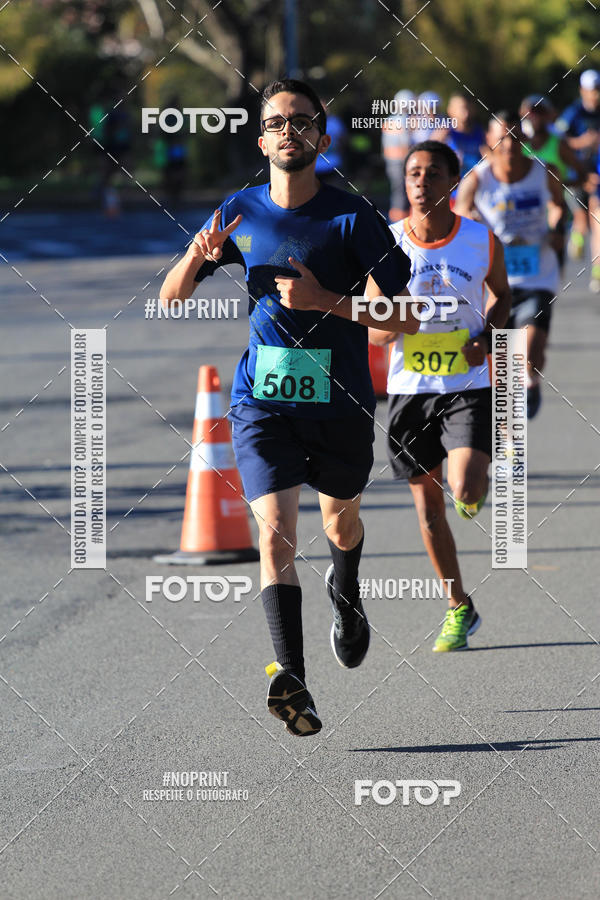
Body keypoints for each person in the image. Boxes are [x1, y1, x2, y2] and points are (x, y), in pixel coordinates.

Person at [159, 79, 415, 736]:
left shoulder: (354, 217)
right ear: (261, 137)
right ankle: (291, 678)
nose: (289, 131)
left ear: (321, 138)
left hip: (343, 401)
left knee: (340, 524)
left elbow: (405, 317)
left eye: (302, 122)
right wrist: (197, 255)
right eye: (277, 122)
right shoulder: (240, 211)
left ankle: (347, 591)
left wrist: (326, 300)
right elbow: (170, 299)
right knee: (273, 534)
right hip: (262, 399)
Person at [370, 140, 512, 652]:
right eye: (413, 174)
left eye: (432, 174)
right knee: (429, 509)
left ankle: (471, 487)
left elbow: (502, 298)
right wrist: (394, 317)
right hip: (409, 392)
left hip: (466, 386)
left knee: (467, 487)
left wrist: (485, 339)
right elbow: (374, 332)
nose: (421, 182)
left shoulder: (480, 240)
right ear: (404, 182)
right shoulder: (386, 247)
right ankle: (459, 607)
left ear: (453, 183)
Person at [455, 111, 567, 419]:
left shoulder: (544, 172)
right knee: (502, 357)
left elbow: (559, 206)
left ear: (526, 141)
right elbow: (461, 215)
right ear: (488, 142)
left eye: (516, 138)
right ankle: (505, 420)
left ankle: (528, 379)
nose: (509, 146)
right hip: (494, 280)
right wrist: (477, 225)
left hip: (537, 275)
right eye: (502, 138)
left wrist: (557, 230)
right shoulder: (477, 179)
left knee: (530, 353)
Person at [520, 94, 586, 272]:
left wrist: (562, 184)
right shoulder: (515, 145)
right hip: (524, 215)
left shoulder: (558, 144)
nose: (534, 117)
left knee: (554, 271)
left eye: (539, 112)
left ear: (548, 115)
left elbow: (582, 173)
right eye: (529, 113)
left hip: (554, 214)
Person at [554, 69, 600, 286]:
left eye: (598, 90)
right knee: (582, 219)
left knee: (598, 219)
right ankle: (577, 234)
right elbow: (558, 139)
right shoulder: (573, 113)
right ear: (583, 91)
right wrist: (582, 142)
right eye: (592, 90)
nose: (595, 95)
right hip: (577, 173)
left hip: (598, 173)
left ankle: (598, 271)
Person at [382, 89, 416, 221]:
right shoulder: (404, 120)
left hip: (392, 162)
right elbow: (407, 144)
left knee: (398, 194)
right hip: (401, 162)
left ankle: (396, 226)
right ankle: (399, 227)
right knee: (402, 196)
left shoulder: (390, 119)